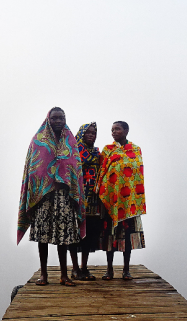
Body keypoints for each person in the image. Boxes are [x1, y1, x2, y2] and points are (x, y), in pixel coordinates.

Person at [17, 107, 86, 286]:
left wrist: (65, 181)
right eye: (54, 118)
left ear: (65, 119)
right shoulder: (38, 140)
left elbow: (75, 167)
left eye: (61, 118)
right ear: (48, 119)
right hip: (43, 197)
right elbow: (33, 169)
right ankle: (44, 274)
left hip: (64, 196)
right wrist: (44, 184)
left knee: (63, 237)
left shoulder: (70, 141)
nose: (58, 121)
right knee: (43, 237)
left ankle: (64, 275)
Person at [95, 121, 146, 280]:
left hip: (128, 202)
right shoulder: (107, 150)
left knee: (127, 236)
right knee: (109, 235)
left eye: (117, 129)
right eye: (112, 130)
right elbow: (102, 172)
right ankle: (109, 270)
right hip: (111, 200)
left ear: (126, 130)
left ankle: (126, 270)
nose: (114, 132)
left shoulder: (135, 150)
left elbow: (137, 174)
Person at [69, 122, 102, 281]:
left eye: (94, 133)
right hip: (77, 198)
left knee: (89, 235)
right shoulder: (73, 151)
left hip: (93, 199)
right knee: (75, 234)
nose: (91, 135)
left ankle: (84, 267)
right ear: (81, 134)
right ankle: (74, 268)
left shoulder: (97, 152)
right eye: (88, 132)